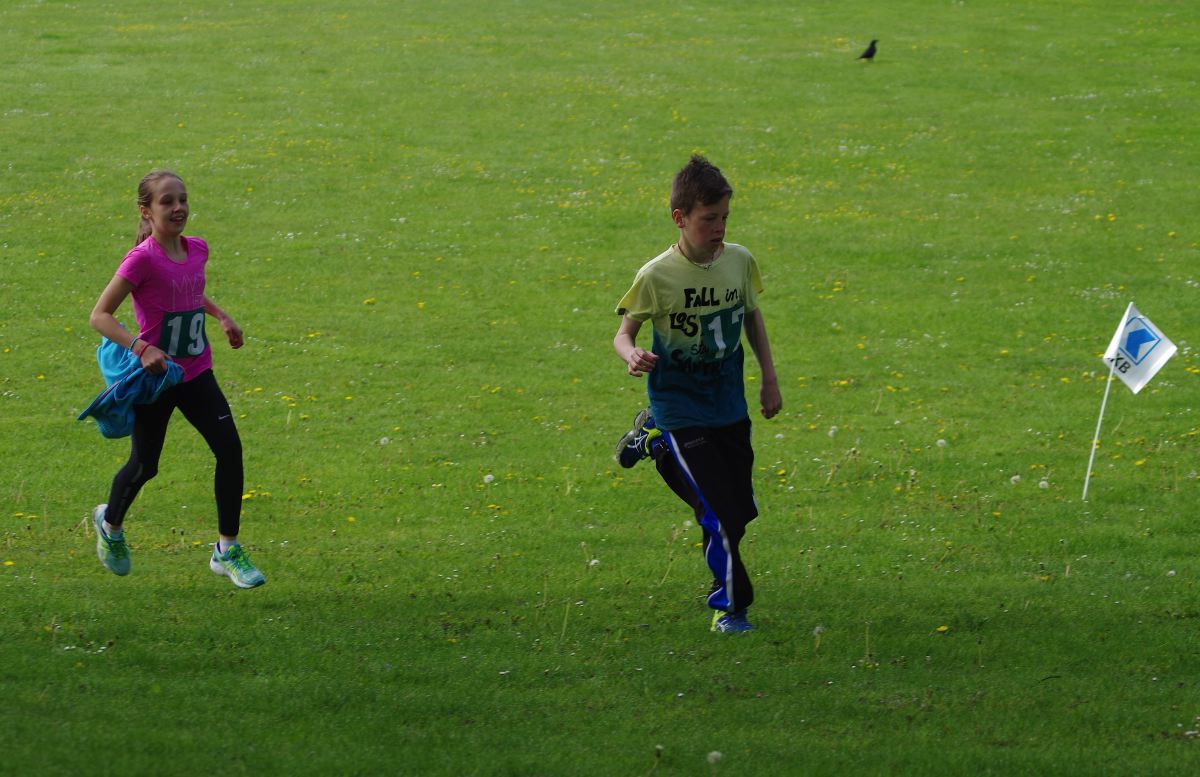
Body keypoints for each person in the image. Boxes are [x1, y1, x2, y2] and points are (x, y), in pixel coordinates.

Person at [613, 155, 781, 633]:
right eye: (709, 219)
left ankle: (654, 444)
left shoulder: (740, 261)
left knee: (739, 512)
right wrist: (631, 354)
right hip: (680, 407)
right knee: (720, 513)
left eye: (725, 217)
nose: (719, 228)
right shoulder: (656, 276)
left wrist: (769, 378)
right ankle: (732, 607)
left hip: (728, 405)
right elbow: (623, 334)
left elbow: (752, 317)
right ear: (680, 218)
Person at [87, 170, 265, 588]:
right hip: (157, 378)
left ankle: (226, 550)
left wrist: (220, 316)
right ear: (146, 211)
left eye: (182, 199)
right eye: (167, 201)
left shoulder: (197, 249)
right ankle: (110, 525)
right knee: (145, 465)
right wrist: (141, 348)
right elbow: (100, 315)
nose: (178, 207)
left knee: (230, 450)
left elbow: (188, 289)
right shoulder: (141, 259)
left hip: (197, 371)